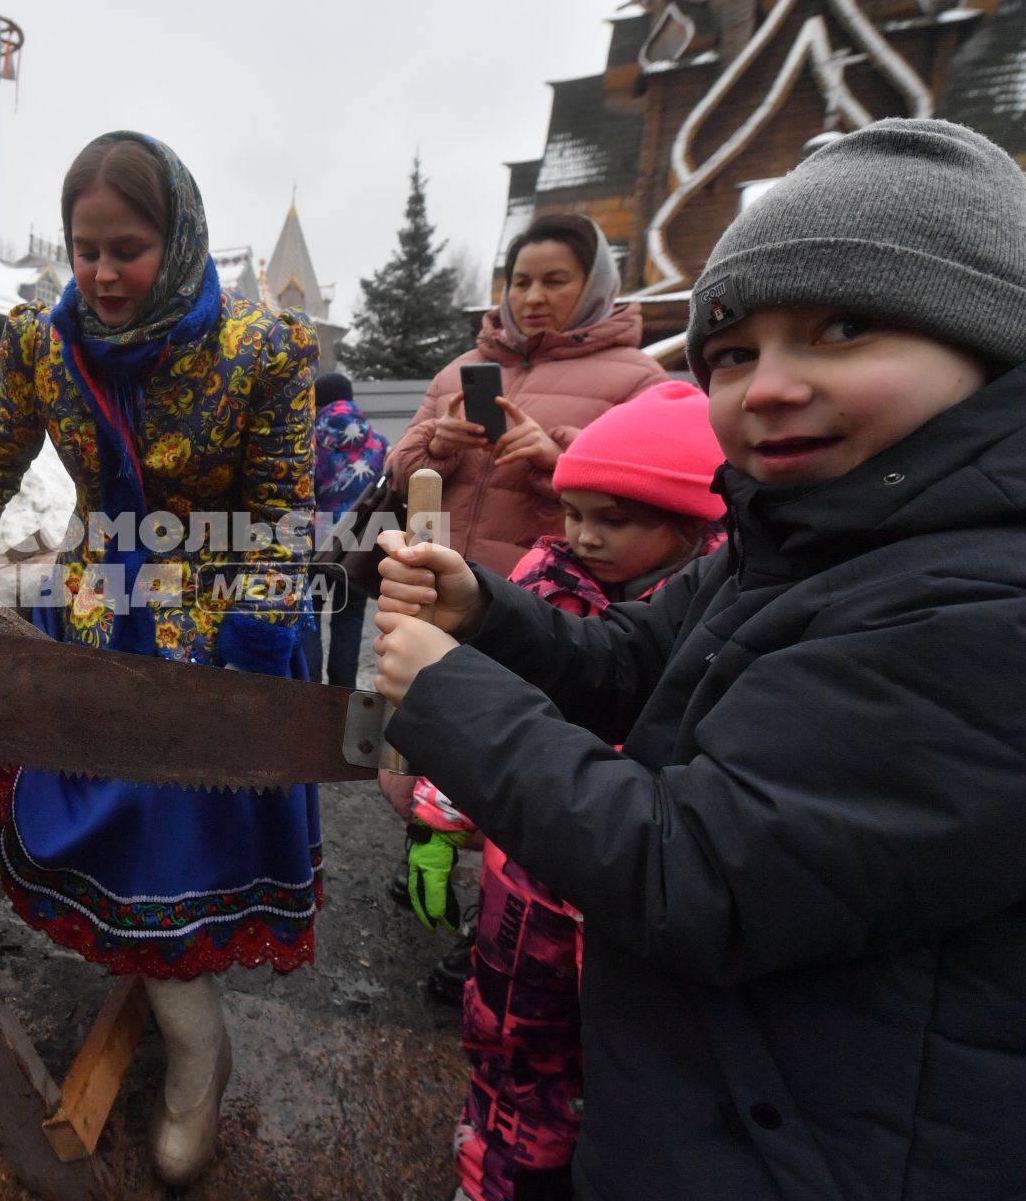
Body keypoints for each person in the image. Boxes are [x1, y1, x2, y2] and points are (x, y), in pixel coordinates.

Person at [372, 119, 1026, 1200]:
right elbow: (627, 657)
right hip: (719, 1099)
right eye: (733, 352)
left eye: (844, 328)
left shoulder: (979, 601)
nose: (767, 386)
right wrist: (485, 610)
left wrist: (449, 689)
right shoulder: (811, 530)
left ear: (985, 339)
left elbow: (693, 871)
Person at [0, 131, 320, 1187]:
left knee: (183, 837)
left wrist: (255, 636)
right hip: (98, 606)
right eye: (85, 248)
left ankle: (194, 1056)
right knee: (99, 824)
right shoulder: (49, 341)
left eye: (126, 248)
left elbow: (280, 513)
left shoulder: (263, 350)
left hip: (219, 621)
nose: (101, 273)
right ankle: (163, 994)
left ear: (178, 242)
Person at [404, 381, 726, 1201]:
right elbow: (488, 692)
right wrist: (439, 820)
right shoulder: (547, 574)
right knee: (508, 1049)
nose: (583, 534)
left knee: (600, 1085)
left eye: (613, 520)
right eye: (574, 511)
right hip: (522, 891)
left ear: (694, 529)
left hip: (615, 913)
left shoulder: (716, 616)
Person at [388, 213, 666, 578]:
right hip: (432, 588)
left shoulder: (642, 380)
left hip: (550, 605)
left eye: (554, 281)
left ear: (594, 285)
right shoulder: (455, 372)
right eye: (520, 283)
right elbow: (396, 478)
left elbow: (657, 503)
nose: (533, 298)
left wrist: (558, 460)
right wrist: (436, 447)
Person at [304, 372, 386, 688]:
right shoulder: (379, 442)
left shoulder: (306, 440)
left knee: (307, 614)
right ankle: (343, 694)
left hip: (315, 540)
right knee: (350, 617)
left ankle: (308, 690)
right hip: (360, 541)